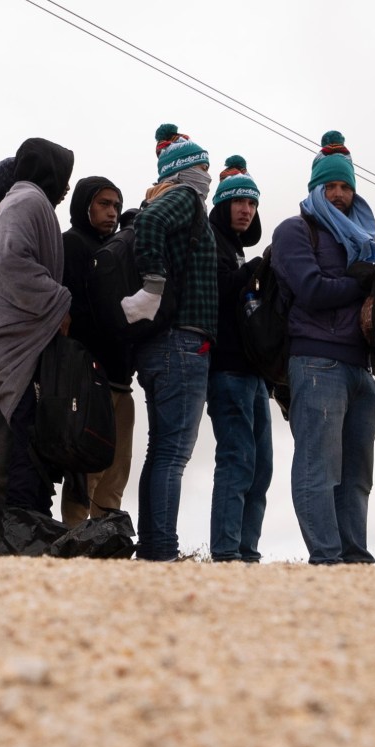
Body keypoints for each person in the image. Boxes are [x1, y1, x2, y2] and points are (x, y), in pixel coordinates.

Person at [272, 132, 375, 565]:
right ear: (315, 188)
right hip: (315, 360)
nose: (338, 195)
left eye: (345, 186)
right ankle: (326, 559)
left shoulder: (361, 237)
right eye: (330, 187)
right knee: (319, 469)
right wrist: (363, 280)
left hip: (362, 367)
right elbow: (311, 289)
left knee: (357, 476)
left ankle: (354, 558)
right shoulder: (294, 231)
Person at [0, 139, 75, 552]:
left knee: (27, 437)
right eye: (62, 177)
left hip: (17, 338)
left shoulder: (21, 200)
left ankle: (25, 525)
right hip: (15, 340)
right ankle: (19, 528)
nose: (65, 188)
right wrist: (58, 301)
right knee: (25, 440)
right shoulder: (29, 203)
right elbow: (7, 262)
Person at [121, 125, 219, 562]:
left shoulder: (176, 197)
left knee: (160, 451)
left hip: (163, 343)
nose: (206, 175)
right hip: (183, 341)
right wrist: (153, 286)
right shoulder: (184, 198)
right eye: (202, 166)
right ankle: (162, 549)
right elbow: (151, 223)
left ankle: (155, 545)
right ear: (184, 169)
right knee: (173, 454)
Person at [203, 158, 271, 563]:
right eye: (239, 202)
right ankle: (227, 553)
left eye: (253, 202)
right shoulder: (212, 241)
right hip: (227, 371)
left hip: (255, 374)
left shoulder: (240, 250)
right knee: (237, 462)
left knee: (261, 468)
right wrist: (253, 273)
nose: (246, 209)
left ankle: (247, 553)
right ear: (223, 205)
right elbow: (215, 291)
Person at [59, 176, 132, 526]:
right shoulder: (71, 245)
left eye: (116, 205)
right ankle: (74, 540)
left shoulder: (117, 249)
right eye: (104, 204)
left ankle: (107, 543)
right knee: (85, 471)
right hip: (87, 378)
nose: (112, 212)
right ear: (85, 204)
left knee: (117, 472)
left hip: (121, 379)